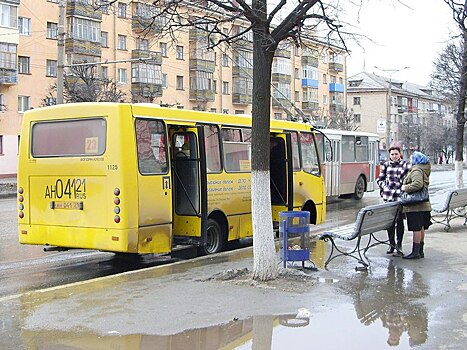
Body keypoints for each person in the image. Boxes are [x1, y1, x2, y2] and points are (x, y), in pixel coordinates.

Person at [377, 145, 410, 256]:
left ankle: (399, 245)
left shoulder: (405, 165)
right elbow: (379, 179)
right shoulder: (386, 165)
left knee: (399, 221)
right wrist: (384, 187)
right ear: (389, 155)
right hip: (388, 197)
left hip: (400, 197)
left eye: (396, 154)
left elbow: (409, 180)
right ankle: (391, 244)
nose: (394, 156)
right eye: (392, 154)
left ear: (400, 154)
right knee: (390, 222)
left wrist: (403, 188)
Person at [401, 151, 432, 259]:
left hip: (415, 205)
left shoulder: (416, 170)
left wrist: (405, 188)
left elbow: (418, 184)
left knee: (416, 228)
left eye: (411, 158)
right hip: (423, 204)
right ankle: (420, 251)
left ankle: (415, 252)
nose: (410, 159)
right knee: (421, 227)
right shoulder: (423, 169)